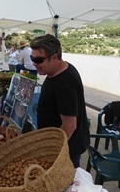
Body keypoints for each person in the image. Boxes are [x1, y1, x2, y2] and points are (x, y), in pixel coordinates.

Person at [30, 34, 90, 168]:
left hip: (65, 152)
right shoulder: (57, 71)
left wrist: (52, 152)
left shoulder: (64, 83)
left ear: (54, 57)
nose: (34, 63)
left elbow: (69, 125)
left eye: (39, 59)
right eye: (32, 58)